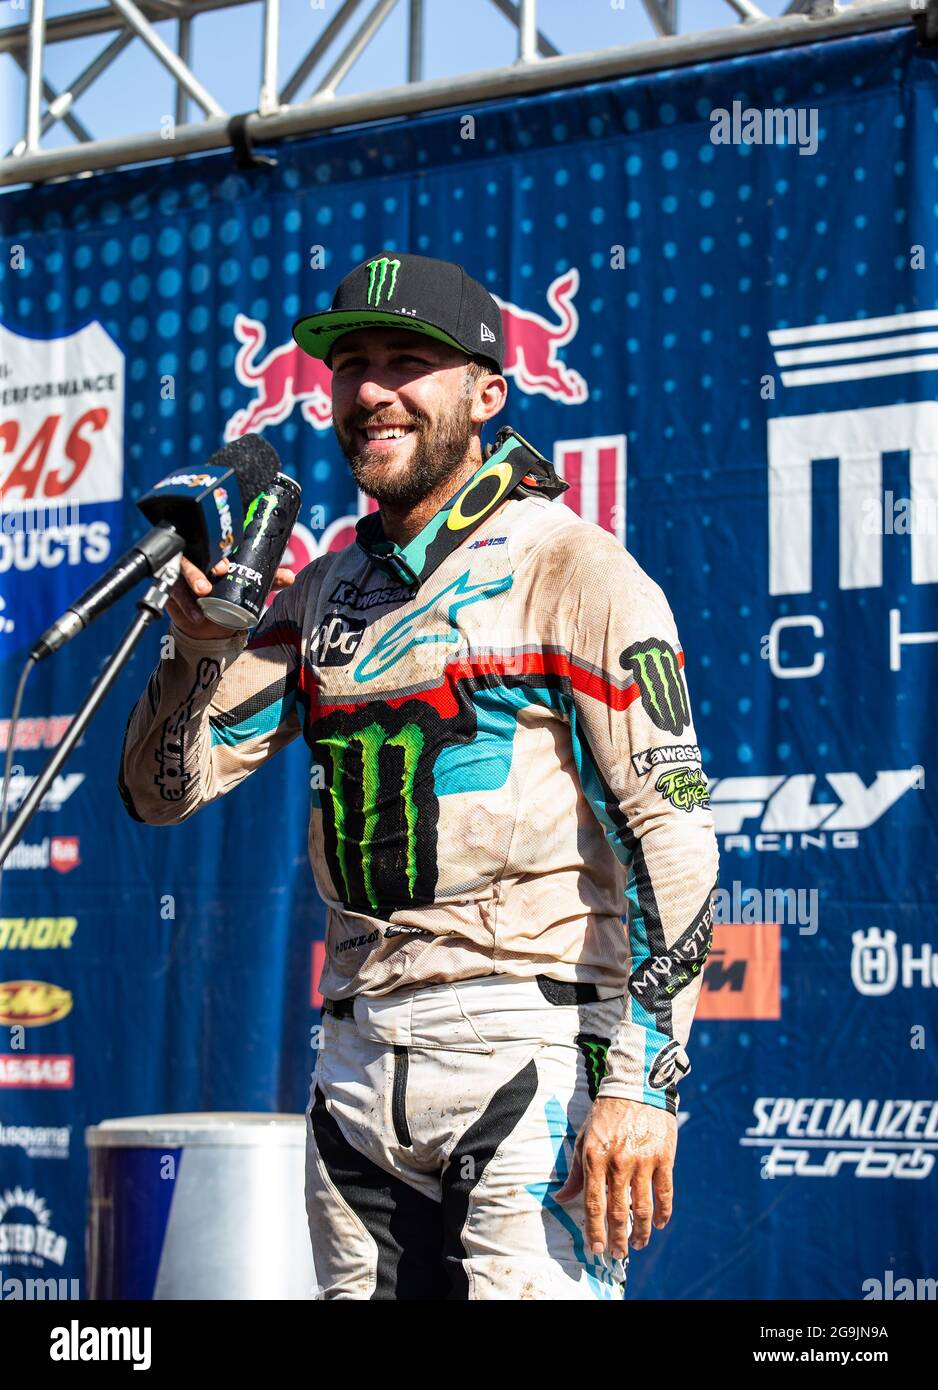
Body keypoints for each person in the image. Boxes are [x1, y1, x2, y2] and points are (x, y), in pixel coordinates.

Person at [118, 251, 719, 1301]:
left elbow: (672, 834)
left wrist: (643, 1084)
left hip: (527, 1041)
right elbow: (164, 793)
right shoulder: (320, 593)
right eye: (353, 366)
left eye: (409, 362)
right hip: (354, 1057)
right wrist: (196, 651)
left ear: (487, 392)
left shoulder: (572, 566)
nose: (374, 392)